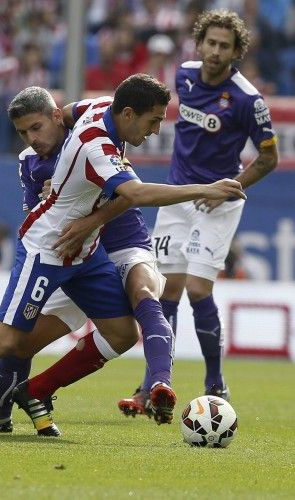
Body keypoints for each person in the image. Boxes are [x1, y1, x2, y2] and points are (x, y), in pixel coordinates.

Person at [0, 75, 245, 436]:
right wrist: (207, 188)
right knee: (6, 341)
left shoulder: (95, 109)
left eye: (37, 126)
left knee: (122, 334)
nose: (156, 129)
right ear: (127, 114)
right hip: (48, 249)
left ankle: (33, 392)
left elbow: (67, 110)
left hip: (87, 251)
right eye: (153, 120)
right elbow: (136, 195)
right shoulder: (95, 145)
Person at [117, 10, 278, 417]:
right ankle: (155, 385)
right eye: (211, 42)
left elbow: (269, 157)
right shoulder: (184, 77)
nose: (215, 51)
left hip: (217, 203)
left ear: (236, 51)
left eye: (225, 45)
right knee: (163, 291)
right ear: (199, 43)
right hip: (177, 197)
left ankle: (215, 384)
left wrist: (230, 188)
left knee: (198, 290)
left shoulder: (246, 98)